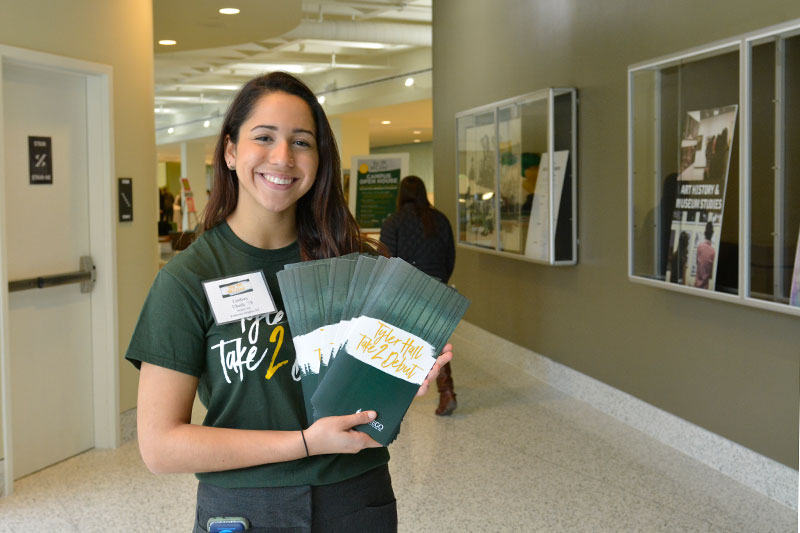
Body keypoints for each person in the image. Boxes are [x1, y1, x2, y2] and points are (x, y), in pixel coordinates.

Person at [125, 72, 452, 533]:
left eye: (302, 142)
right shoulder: (188, 279)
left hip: (357, 499)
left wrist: (403, 379)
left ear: (320, 160)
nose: (283, 157)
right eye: (264, 137)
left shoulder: (357, 263)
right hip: (245, 510)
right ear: (231, 150)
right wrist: (303, 443)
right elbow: (160, 447)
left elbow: (369, 391)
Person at [379, 176, 458, 416]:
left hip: (407, 288)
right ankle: (447, 392)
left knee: (403, 342)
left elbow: (386, 258)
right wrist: (441, 280)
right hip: (437, 286)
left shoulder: (394, 222)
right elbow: (450, 255)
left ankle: (401, 397)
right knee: (435, 339)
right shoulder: (440, 219)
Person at [694, 220, 715, 289]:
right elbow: (710, 273)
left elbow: (697, 263)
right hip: (705, 286)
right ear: (712, 234)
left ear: (705, 233)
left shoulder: (700, 247)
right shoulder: (712, 251)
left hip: (696, 284)